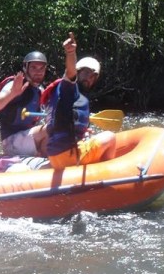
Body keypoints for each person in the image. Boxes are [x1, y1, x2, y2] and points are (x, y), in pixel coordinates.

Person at [42, 33, 115, 172]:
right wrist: (70, 52)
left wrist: (81, 131)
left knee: (90, 136)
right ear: (78, 72)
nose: (89, 78)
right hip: (68, 154)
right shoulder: (69, 88)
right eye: (86, 73)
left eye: (93, 76)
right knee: (109, 137)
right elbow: (70, 72)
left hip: (54, 155)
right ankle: (105, 174)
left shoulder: (77, 97)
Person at [0, 50, 48, 157]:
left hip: (27, 139)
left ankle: (49, 163)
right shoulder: (14, 85)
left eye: (41, 68)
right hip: (11, 141)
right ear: (26, 68)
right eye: (33, 67)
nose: (38, 72)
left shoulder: (40, 90)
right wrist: (13, 93)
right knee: (50, 129)